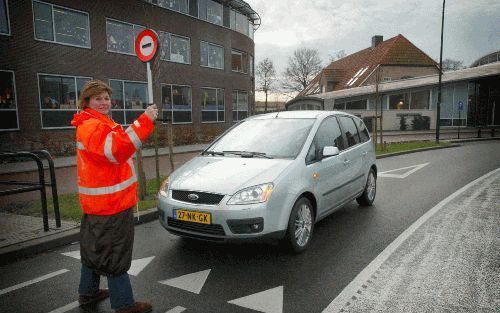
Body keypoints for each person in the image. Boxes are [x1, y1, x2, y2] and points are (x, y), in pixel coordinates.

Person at [70, 80, 158, 313]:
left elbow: (120, 140)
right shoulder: (92, 126)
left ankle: (88, 293)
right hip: (111, 204)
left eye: (107, 98)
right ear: (87, 101)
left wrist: (140, 122)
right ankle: (124, 304)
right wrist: (146, 120)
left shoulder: (96, 123)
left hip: (100, 204)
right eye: (98, 98)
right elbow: (119, 149)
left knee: (93, 249)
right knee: (116, 253)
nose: (104, 102)